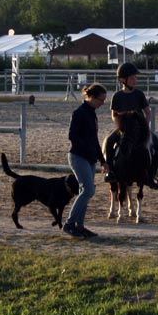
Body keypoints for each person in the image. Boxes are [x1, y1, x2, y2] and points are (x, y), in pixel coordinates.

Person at [104, 62, 158, 189]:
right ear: (122, 79)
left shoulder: (139, 94)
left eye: (135, 77)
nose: (135, 80)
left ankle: (151, 175)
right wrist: (121, 127)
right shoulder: (117, 96)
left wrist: (144, 126)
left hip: (140, 129)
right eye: (132, 78)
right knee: (109, 142)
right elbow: (114, 115)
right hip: (124, 129)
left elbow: (147, 112)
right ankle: (111, 172)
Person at [62, 83, 109, 238]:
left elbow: (95, 140)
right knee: (88, 190)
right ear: (92, 97)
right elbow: (72, 136)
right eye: (101, 100)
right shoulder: (79, 113)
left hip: (89, 158)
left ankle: (79, 226)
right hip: (78, 156)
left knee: (86, 191)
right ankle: (69, 224)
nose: (102, 103)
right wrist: (87, 149)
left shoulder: (92, 113)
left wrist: (102, 161)